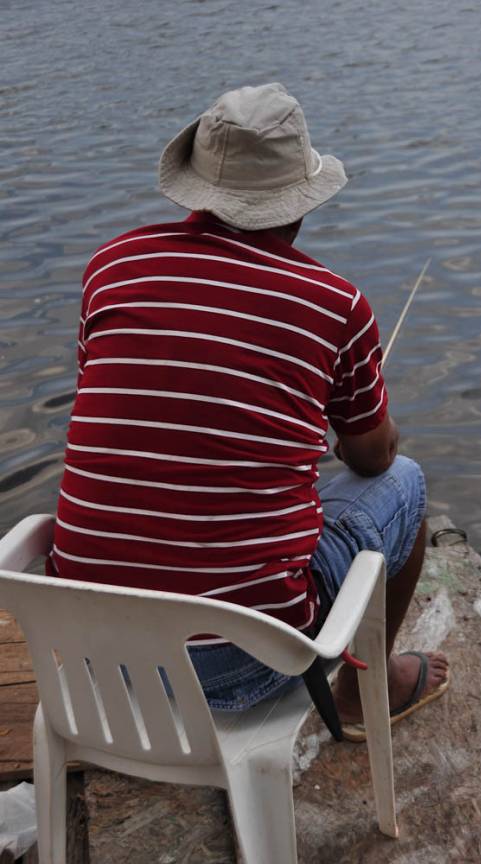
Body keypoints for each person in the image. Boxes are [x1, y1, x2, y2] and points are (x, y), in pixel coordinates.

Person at [48, 82, 448, 739]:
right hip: (245, 665)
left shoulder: (110, 268)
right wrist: (359, 428)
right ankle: (362, 693)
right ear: (299, 203)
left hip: (88, 651)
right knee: (405, 485)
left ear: (198, 188)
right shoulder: (334, 304)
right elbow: (372, 457)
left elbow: (128, 404)